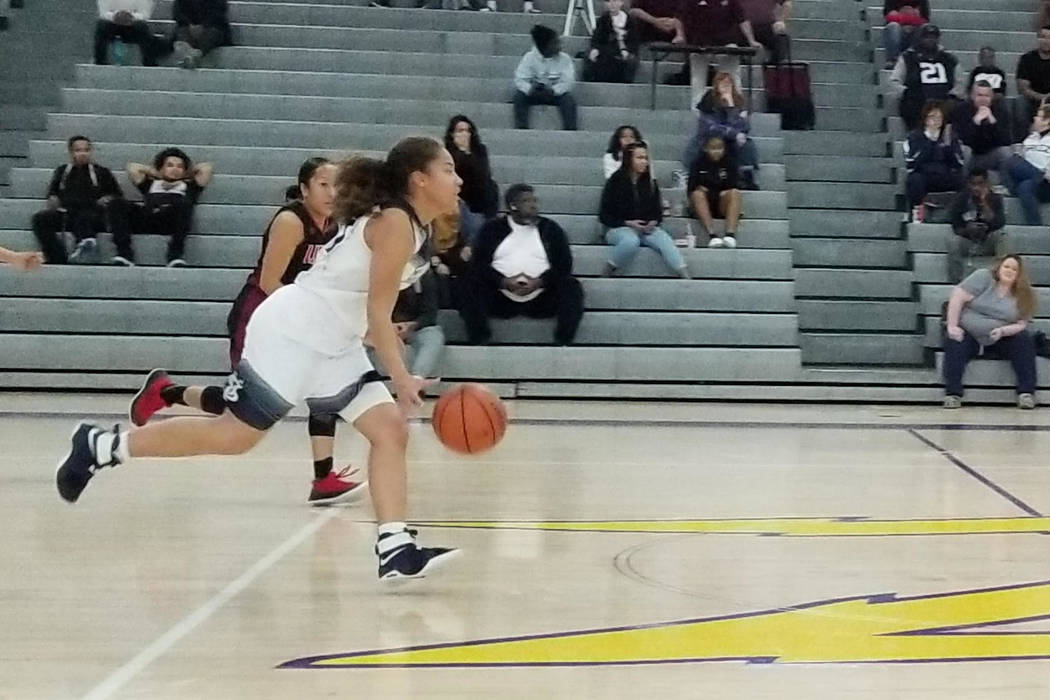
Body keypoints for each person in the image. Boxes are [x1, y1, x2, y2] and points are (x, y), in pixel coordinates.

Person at [55, 137, 462, 582]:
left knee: (389, 430)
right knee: (234, 436)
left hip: (333, 341)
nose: (457, 177)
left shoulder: (415, 229)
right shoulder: (397, 224)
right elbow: (376, 310)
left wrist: (378, 340)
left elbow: (359, 300)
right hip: (293, 331)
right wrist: (401, 374)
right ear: (419, 179)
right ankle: (102, 446)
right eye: (447, 169)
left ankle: (395, 546)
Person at [128, 158, 366, 506]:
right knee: (237, 409)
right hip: (259, 316)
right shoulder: (290, 221)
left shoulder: (334, 225)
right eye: (323, 185)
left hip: (297, 318)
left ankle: (323, 477)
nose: (333, 193)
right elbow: (270, 282)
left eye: (337, 186)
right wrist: (312, 317)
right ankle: (166, 392)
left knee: (325, 388)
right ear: (304, 190)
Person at [459, 184, 584, 345]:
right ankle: (479, 338)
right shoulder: (492, 229)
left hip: (540, 296)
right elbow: (479, 264)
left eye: (534, 201)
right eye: (526, 201)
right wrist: (503, 281)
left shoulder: (550, 229)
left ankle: (563, 340)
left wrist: (539, 282)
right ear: (513, 206)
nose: (533, 205)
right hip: (501, 296)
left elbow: (564, 265)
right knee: (469, 283)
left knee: (571, 286)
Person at [943, 255, 1038, 409]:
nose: (1009, 271)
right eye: (1006, 266)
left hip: (1001, 335)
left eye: (1014, 269)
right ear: (999, 267)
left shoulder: (1024, 294)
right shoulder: (983, 277)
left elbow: (1022, 324)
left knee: (1024, 340)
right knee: (955, 341)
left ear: (1019, 274)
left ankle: (1026, 393)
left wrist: (1003, 331)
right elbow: (957, 296)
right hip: (970, 331)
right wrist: (952, 326)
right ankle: (952, 394)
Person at [31, 135, 126, 265]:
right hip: (67, 213)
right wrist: (53, 198)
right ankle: (56, 256)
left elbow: (117, 195)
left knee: (84, 216)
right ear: (71, 152)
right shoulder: (62, 171)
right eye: (78, 150)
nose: (83, 154)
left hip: (93, 214)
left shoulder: (102, 172)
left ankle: (87, 241)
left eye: (86, 150)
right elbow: (53, 192)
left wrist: (107, 198)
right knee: (40, 219)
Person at [600, 142, 689, 278]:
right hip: (618, 228)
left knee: (666, 242)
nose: (644, 162)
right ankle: (608, 271)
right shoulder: (615, 181)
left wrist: (653, 222)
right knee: (630, 241)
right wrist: (627, 223)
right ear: (629, 159)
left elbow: (657, 212)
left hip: (645, 229)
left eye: (646, 158)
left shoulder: (650, 183)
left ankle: (685, 276)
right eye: (640, 158)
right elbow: (604, 215)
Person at [121, 147, 213, 267]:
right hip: (148, 219)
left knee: (184, 205)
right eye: (170, 165)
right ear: (161, 167)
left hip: (170, 223)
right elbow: (132, 167)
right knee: (118, 203)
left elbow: (206, 168)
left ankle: (174, 255)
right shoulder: (150, 184)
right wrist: (157, 174)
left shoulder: (190, 187)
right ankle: (124, 253)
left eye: (180, 166)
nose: (175, 169)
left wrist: (185, 175)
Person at [676, 0, 763, 108]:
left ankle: (737, 111)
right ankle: (697, 112)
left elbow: (742, 19)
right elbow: (680, 17)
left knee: (732, 77)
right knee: (697, 80)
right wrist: (680, 35)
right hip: (699, 43)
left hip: (726, 42)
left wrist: (751, 40)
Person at [685, 71, 760, 190]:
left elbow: (744, 126)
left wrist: (731, 107)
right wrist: (733, 133)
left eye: (729, 83)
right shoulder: (708, 101)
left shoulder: (738, 102)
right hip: (711, 138)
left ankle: (744, 177)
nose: (726, 86)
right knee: (718, 142)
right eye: (722, 83)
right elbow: (710, 127)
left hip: (732, 141)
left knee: (747, 144)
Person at [371, 268, 446, 380]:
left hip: (415, 328)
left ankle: (417, 379)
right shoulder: (378, 272)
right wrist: (388, 327)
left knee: (434, 336)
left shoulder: (424, 276)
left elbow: (430, 313)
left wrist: (411, 325)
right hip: (383, 327)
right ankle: (366, 381)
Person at [889, 24, 961, 131]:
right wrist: (906, 92)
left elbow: (960, 82)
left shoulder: (949, 59)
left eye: (934, 37)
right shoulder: (908, 57)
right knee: (910, 104)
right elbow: (894, 80)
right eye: (927, 37)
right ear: (920, 38)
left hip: (943, 100)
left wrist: (953, 95)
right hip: (916, 101)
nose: (931, 40)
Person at [903, 101, 964, 219]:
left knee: (962, 180)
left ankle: (959, 215)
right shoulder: (915, 136)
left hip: (943, 173)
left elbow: (958, 162)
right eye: (932, 116)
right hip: (923, 174)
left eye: (939, 117)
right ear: (925, 118)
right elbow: (912, 162)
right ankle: (917, 213)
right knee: (915, 181)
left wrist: (948, 148)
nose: (936, 120)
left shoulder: (949, 136)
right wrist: (929, 142)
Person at [444, 115, 498, 245]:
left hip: (481, 199)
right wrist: (461, 151)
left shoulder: (480, 150)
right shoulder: (446, 152)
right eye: (460, 130)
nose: (465, 134)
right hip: (460, 198)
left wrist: (467, 152)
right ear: (452, 134)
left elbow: (482, 174)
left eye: (468, 130)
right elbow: (456, 173)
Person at [946, 169, 1007, 284]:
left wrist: (984, 202)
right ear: (968, 184)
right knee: (953, 242)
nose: (976, 188)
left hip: (988, 241)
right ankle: (956, 281)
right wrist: (968, 230)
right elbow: (955, 225)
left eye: (980, 184)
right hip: (968, 241)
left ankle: (1001, 279)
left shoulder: (996, 199)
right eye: (973, 184)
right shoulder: (961, 199)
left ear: (987, 184)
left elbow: (999, 223)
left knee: (1003, 237)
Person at [513, 25, 577, 131]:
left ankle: (571, 129)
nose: (559, 46)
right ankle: (521, 128)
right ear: (544, 46)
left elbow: (568, 82)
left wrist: (554, 90)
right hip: (533, 93)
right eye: (555, 43)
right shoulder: (529, 58)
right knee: (519, 97)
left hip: (555, 94)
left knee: (569, 100)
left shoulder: (565, 59)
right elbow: (520, 79)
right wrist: (530, 89)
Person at [687, 136, 742, 248]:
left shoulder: (730, 162)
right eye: (713, 148)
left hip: (720, 202)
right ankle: (712, 235)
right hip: (702, 202)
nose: (716, 151)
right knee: (697, 195)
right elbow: (691, 188)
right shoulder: (697, 163)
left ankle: (730, 235)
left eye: (719, 148)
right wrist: (712, 189)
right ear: (706, 149)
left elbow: (733, 184)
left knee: (735, 193)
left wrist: (710, 189)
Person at [1004, 105, 1050, 226]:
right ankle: (1035, 226)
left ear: (1047, 121)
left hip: (1047, 183)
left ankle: (1035, 226)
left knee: (1024, 184)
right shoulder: (1030, 139)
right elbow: (1021, 158)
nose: (1034, 118)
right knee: (1023, 182)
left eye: (1039, 116)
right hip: (1032, 181)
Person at [953, 81, 1012, 174]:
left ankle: (1006, 186)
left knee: (1005, 152)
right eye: (979, 95)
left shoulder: (1000, 110)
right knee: (965, 150)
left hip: (989, 156)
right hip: (970, 157)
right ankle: (961, 185)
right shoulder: (961, 109)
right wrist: (975, 122)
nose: (983, 99)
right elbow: (962, 140)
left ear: (992, 97)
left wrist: (992, 122)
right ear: (972, 96)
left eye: (986, 96)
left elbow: (1006, 141)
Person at [584, 0, 641, 84]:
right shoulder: (603, 20)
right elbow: (596, 38)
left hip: (625, 50)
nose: (612, 4)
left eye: (615, 1)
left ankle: (625, 81)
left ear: (621, 3)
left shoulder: (630, 21)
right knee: (594, 56)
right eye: (609, 1)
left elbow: (634, 41)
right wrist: (595, 48)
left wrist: (626, 50)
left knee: (630, 60)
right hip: (607, 50)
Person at [95, 0, 166, 66]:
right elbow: (103, 13)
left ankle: (149, 61)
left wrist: (131, 17)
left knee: (142, 27)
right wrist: (115, 16)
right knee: (102, 26)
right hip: (111, 23)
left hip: (133, 25)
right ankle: (100, 61)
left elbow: (144, 14)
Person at [170, 0, 231, 70]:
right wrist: (190, 25)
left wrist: (204, 26)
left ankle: (195, 55)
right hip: (188, 27)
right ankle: (189, 54)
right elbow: (177, 13)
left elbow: (219, 12)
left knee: (212, 34)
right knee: (182, 32)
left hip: (213, 27)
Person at [1016, 27, 1050, 128]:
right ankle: (1023, 139)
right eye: (1043, 37)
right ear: (1037, 39)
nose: (1046, 41)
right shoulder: (1027, 59)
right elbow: (1023, 88)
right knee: (1020, 102)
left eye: (1049, 38)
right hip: (1032, 101)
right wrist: (1041, 97)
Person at [881, 0, 930, 69]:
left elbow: (925, 18)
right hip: (898, 30)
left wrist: (910, 22)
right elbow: (889, 16)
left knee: (925, 27)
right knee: (893, 26)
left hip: (915, 30)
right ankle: (893, 60)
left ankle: (920, 58)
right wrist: (909, 20)